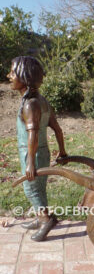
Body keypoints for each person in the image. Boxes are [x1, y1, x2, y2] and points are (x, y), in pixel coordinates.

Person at [7, 56, 68, 241]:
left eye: (12, 72)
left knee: (31, 189)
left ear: (24, 77)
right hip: (42, 151)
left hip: (31, 152)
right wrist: (62, 151)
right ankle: (41, 216)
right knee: (39, 188)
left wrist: (30, 163)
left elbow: (32, 134)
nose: (8, 75)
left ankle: (45, 221)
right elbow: (57, 128)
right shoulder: (42, 101)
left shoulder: (29, 104)